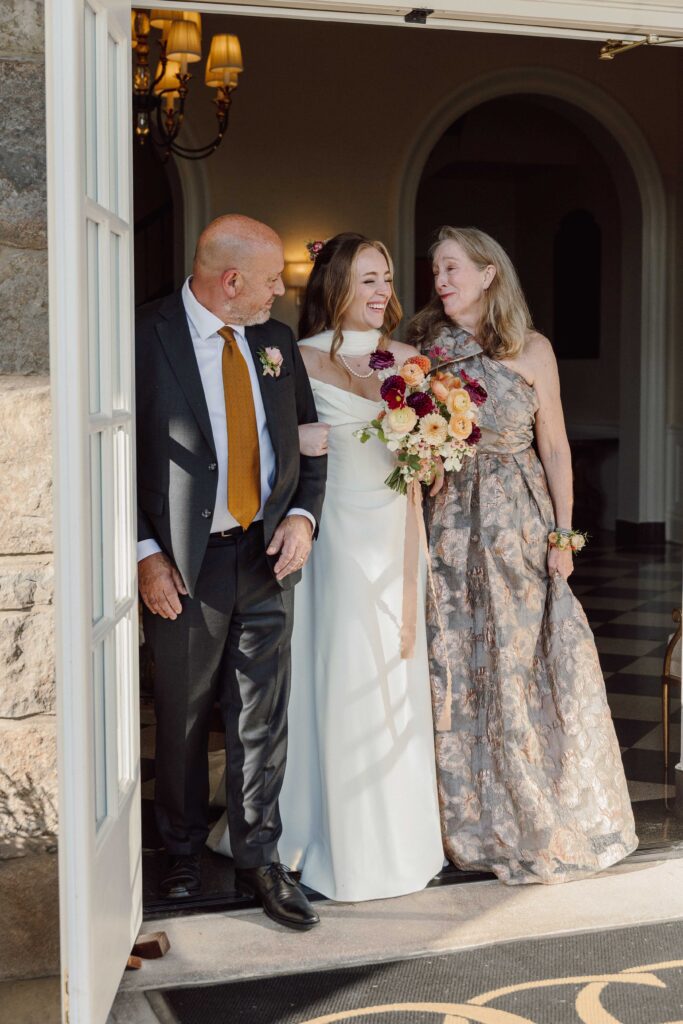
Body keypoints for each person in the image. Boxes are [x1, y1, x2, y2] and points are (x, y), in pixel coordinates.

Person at [209, 233, 444, 900]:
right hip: (330, 531)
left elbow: (429, 455)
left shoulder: (410, 360)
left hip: (394, 528)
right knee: (338, 665)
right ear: (336, 285)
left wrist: (433, 455)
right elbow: (256, 440)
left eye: (387, 278)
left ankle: (396, 837)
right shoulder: (292, 356)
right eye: (367, 279)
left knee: (393, 673)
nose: (381, 292)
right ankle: (319, 828)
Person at [407, 225, 637, 884]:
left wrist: (563, 537)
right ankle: (454, 818)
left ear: (488, 274)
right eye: (434, 270)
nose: (440, 280)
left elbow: (556, 445)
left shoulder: (531, 349)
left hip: (518, 522)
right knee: (452, 656)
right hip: (448, 521)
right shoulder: (423, 347)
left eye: (451, 268)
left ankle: (528, 805)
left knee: (519, 659)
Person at [136, 214, 327, 930]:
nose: (282, 290)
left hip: (265, 555)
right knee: (183, 716)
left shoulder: (274, 343)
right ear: (229, 281)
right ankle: (179, 849)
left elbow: (310, 442)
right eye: (272, 278)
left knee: (260, 718)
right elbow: (108, 454)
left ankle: (260, 859)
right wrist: (144, 554)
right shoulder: (142, 335)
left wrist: (304, 518)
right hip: (185, 565)